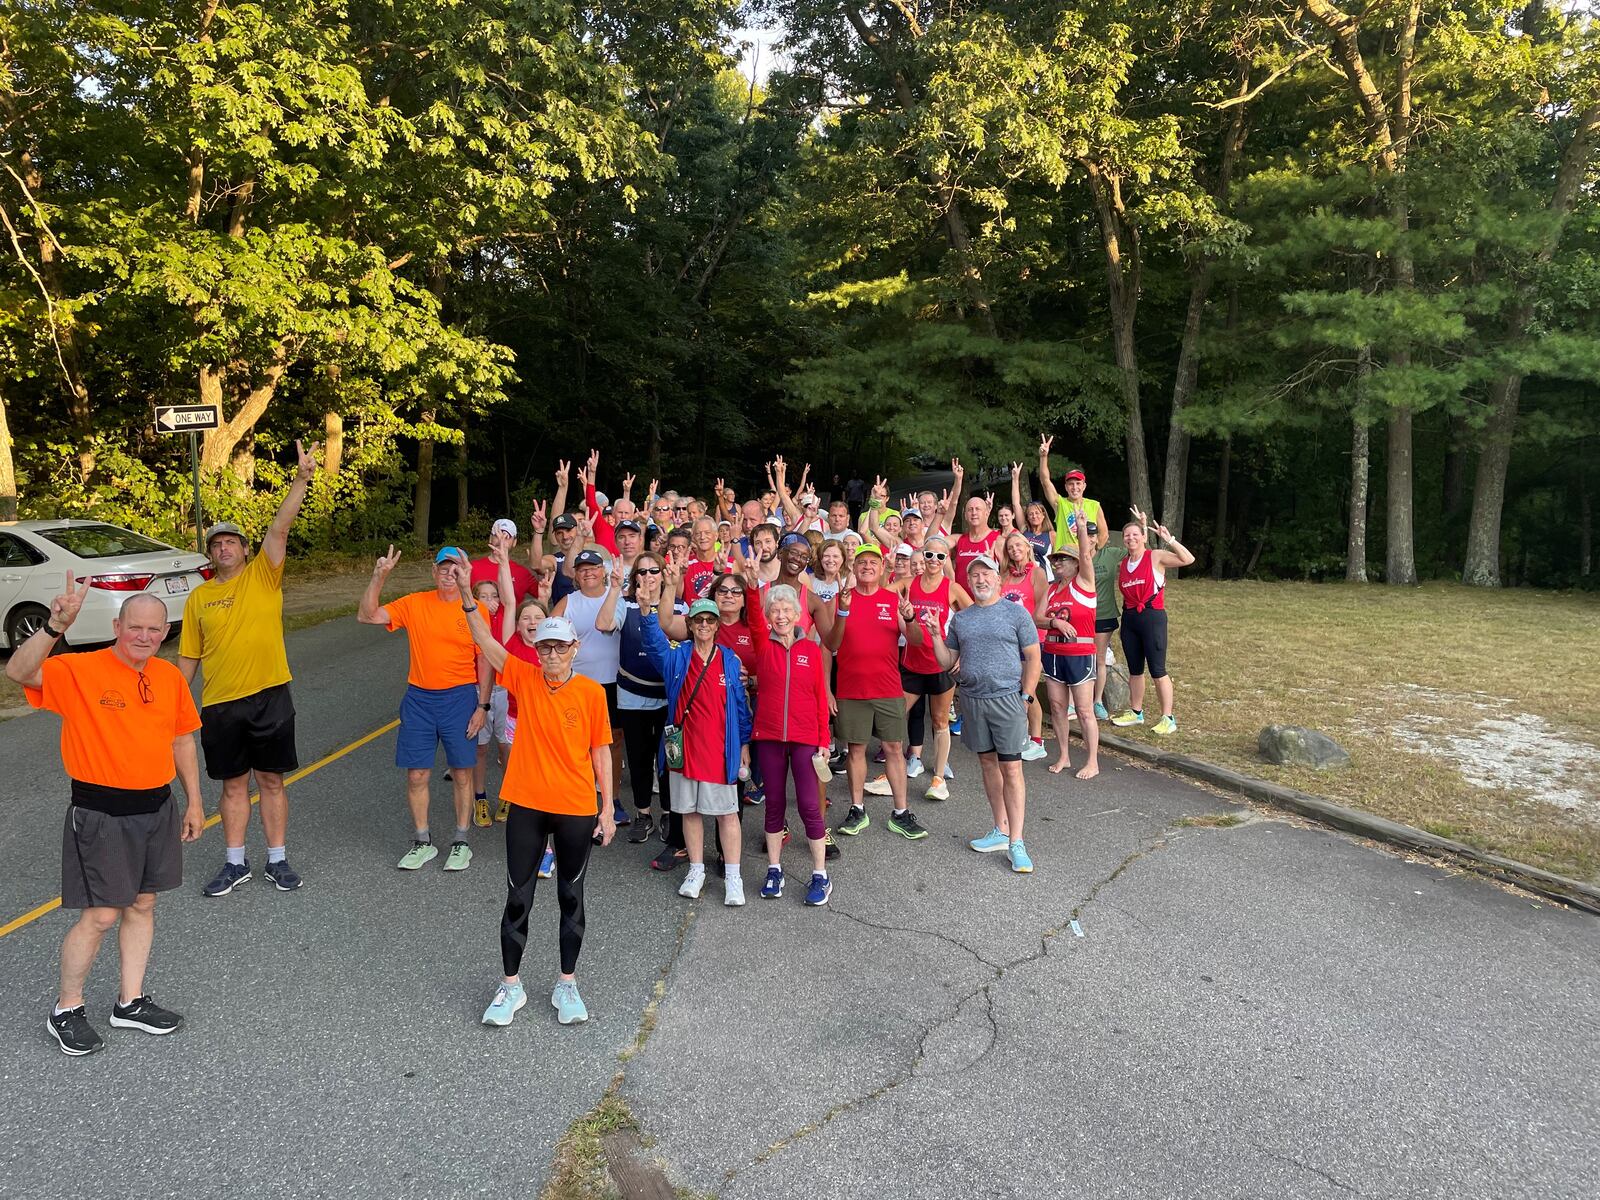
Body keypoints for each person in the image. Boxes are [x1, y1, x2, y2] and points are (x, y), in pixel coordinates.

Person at [8, 580, 206, 1055]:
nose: (143, 635)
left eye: (153, 629)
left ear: (165, 633)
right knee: (100, 914)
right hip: (101, 810)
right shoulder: (80, 670)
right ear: (117, 626)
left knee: (142, 905)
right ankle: (66, 1009)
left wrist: (195, 801)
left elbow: (181, 739)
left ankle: (130, 1002)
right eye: (134, 626)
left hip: (155, 806)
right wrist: (55, 626)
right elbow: (18, 671)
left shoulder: (168, 677)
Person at [460, 601, 616, 1028]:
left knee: (571, 896)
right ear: (536, 649)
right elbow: (485, 641)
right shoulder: (524, 678)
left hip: (576, 807)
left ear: (574, 648)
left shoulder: (590, 693)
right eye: (544, 647)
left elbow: (600, 752)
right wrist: (470, 598)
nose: (551, 655)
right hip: (527, 804)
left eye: (559, 648)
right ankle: (512, 986)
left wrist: (607, 809)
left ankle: (567, 983)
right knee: (517, 898)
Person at [179, 437, 315, 897]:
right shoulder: (198, 599)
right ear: (210, 553)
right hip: (220, 704)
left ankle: (277, 859)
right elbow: (189, 656)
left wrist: (300, 480)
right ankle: (234, 863)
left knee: (271, 781)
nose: (223, 549)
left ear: (243, 547)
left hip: (270, 695)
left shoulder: (264, 574)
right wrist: (175, 702)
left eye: (231, 542)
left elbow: (279, 529)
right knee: (233, 786)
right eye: (215, 544)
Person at [358, 544, 489, 872]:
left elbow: (485, 659)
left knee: (461, 771)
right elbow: (367, 615)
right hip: (419, 698)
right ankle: (422, 841)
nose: (449, 573)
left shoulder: (474, 609)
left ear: (465, 573)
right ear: (433, 571)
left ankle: (461, 840)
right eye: (444, 567)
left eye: (456, 567)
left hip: (460, 698)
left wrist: (482, 706)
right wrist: (379, 576)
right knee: (416, 773)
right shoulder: (415, 603)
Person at [920, 554, 1042, 874]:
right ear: (969, 582)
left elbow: (1033, 657)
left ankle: (1017, 841)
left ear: (998, 579)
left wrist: (1026, 698)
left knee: (1012, 768)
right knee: (988, 764)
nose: (981, 580)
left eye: (986, 574)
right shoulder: (961, 620)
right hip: (974, 701)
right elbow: (948, 661)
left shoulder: (1016, 614)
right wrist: (934, 634)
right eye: (974, 575)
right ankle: (1000, 830)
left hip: (1008, 700)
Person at [640, 597, 754, 905]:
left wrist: (744, 743)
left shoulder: (730, 660)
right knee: (689, 811)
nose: (704, 625)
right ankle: (696, 870)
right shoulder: (677, 657)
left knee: (727, 815)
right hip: (684, 750)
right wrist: (647, 611)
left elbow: (741, 706)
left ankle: (733, 876)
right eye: (698, 620)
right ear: (689, 624)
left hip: (720, 752)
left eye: (710, 620)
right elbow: (653, 645)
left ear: (718, 626)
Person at [821, 544, 928, 842]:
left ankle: (901, 813)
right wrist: (842, 610)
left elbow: (916, 640)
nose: (867, 566)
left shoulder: (893, 599)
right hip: (851, 690)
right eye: (861, 562)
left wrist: (910, 618)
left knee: (894, 749)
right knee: (855, 749)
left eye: (873, 562)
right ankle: (857, 808)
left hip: (887, 689)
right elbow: (830, 644)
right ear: (853, 569)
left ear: (882, 569)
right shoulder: (841, 600)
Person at [742, 570, 833, 906]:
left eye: (786, 610)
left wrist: (824, 740)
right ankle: (774, 869)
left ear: (797, 615)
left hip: (806, 739)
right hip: (768, 738)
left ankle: (820, 874)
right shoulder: (763, 644)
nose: (780, 616)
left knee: (811, 805)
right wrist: (753, 588)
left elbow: (820, 698)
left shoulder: (810, 649)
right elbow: (752, 616)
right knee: (775, 806)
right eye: (774, 611)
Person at [888, 536, 970, 802]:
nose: (934, 560)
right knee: (897, 713)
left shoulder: (952, 588)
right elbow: (878, 593)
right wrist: (889, 568)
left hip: (940, 664)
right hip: (912, 663)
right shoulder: (909, 584)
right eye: (929, 555)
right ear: (922, 556)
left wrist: (963, 654)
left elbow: (974, 619)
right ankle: (894, 769)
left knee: (939, 720)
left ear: (947, 560)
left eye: (940, 557)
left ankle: (938, 778)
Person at [552, 548, 626, 822]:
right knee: (578, 743)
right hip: (579, 683)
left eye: (593, 567)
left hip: (613, 682)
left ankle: (613, 799)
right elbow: (549, 634)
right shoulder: (568, 602)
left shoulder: (616, 596)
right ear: (576, 575)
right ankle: (579, 799)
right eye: (582, 569)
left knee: (613, 741)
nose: (588, 572)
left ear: (603, 570)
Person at [616, 552, 682, 851]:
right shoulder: (625, 604)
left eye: (653, 570)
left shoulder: (680, 606)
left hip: (668, 697)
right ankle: (644, 813)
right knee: (639, 759)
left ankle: (668, 812)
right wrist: (616, 588)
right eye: (641, 571)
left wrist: (671, 589)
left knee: (670, 758)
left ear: (662, 572)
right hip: (632, 694)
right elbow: (604, 622)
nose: (647, 575)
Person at [1111, 506, 1196, 734]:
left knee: (1157, 670)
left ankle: (1168, 718)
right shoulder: (1123, 565)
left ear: (1142, 538)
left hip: (1152, 618)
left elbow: (1188, 559)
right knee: (1135, 669)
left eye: (1135, 535)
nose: (1130, 538)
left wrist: (1170, 540)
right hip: (1130, 619)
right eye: (1127, 535)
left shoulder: (1155, 557)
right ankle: (1136, 712)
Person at [1037, 513, 1101, 778]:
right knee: (1057, 706)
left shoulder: (1084, 583)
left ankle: (1092, 761)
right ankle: (1063, 755)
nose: (1057, 563)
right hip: (1054, 654)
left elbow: (1087, 556)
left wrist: (1083, 530)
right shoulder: (1051, 589)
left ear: (1075, 564)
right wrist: (1056, 623)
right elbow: (1037, 618)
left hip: (1079, 654)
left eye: (1062, 559)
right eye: (1055, 559)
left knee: (1084, 710)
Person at [999, 531, 1049, 762]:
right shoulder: (1005, 575)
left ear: (1028, 548)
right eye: (1010, 547)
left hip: (1030, 641)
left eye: (1019, 545)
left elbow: (1041, 610)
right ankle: (1020, 734)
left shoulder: (1037, 573)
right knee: (1015, 687)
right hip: (1007, 641)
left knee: (1027, 689)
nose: (1014, 549)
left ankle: (1036, 740)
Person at [1036, 435, 1109, 553]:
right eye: (1071, 484)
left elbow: (1104, 533)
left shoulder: (1094, 505)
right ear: (1066, 487)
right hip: (1064, 559)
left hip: (1085, 560)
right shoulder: (1060, 504)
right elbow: (1045, 482)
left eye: (1078, 483)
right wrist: (1043, 457)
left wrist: (1092, 554)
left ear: (1084, 486)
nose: (1075, 487)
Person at [1090, 537, 1126, 720]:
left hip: (1104, 613)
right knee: (1080, 657)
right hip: (1081, 614)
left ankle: (1097, 702)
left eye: (1091, 535)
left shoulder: (1109, 554)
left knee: (1099, 659)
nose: (1088, 539)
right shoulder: (1075, 556)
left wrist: (1143, 528)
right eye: (1084, 535)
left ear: (1097, 538)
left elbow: (1138, 551)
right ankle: (1075, 703)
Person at [470, 518, 537, 604]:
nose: (501, 540)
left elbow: (543, 595)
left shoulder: (522, 573)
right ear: (490, 539)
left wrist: (538, 568)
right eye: (497, 535)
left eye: (506, 537)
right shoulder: (472, 567)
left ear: (514, 542)